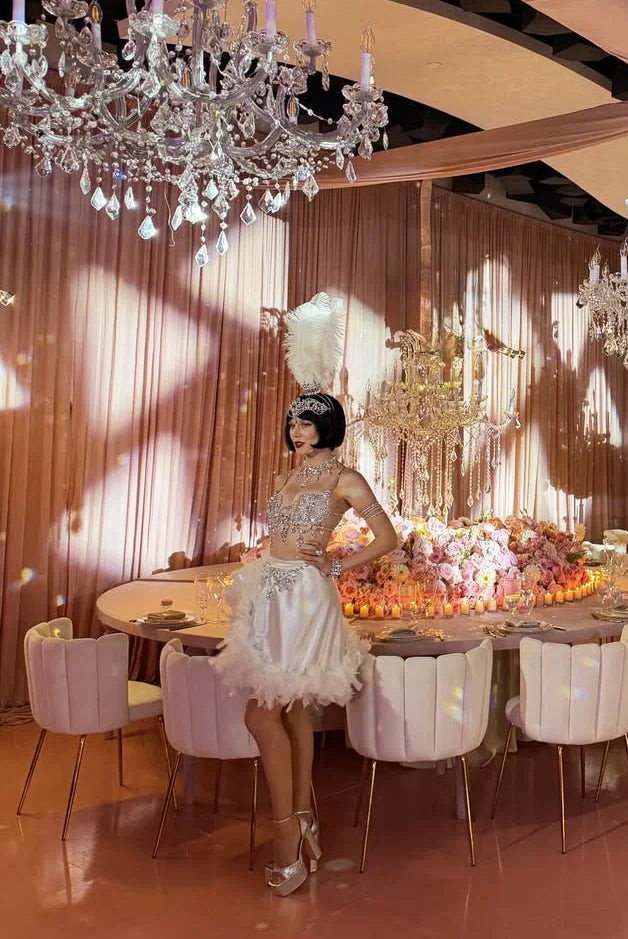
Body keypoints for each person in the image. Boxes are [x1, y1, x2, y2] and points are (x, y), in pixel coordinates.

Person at [215, 294, 398, 897]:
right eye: (294, 420)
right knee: (286, 712)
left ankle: (286, 833)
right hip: (269, 593)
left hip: (309, 600)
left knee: (260, 712)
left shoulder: (346, 477)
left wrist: (340, 562)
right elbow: (280, 534)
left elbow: (388, 537)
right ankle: (304, 820)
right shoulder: (284, 476)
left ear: (328, 426)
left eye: (307, 421)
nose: (297, 430)